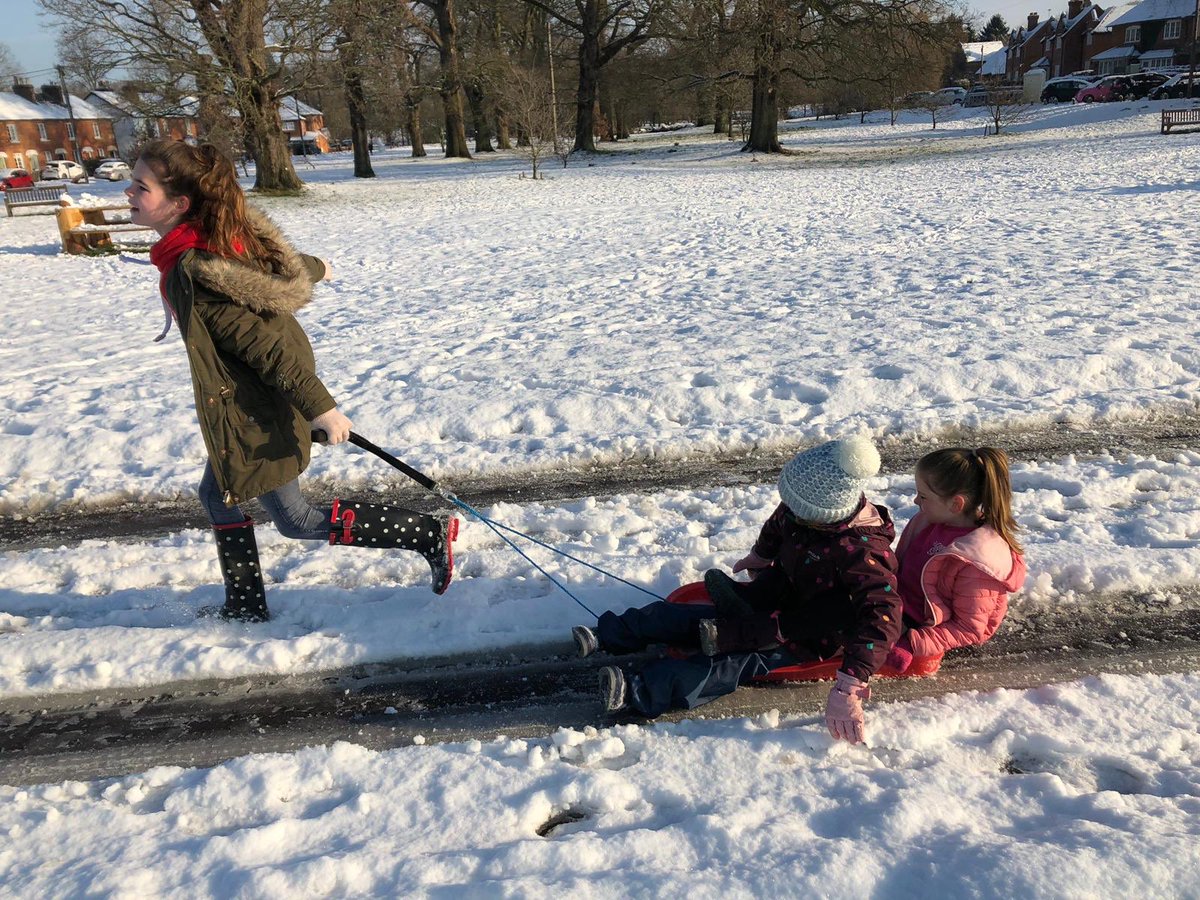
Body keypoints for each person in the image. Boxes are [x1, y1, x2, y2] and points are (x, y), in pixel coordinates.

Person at [128, 140, 457, 622]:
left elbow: (266, 349)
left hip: (262, 406)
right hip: (243, 402)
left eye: (141, 186)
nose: (128, 192)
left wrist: (319, 407)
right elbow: (270, 267)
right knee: (217, 495)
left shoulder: (198, 270)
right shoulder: (211, 242)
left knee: (295, 519)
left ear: (178, 204)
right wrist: (316, 267)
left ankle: (428, 534)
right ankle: (245, 606)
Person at [571, 435, 901, 744]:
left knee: (731, 665)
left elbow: (883, 616)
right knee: (686, 617)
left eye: (795, 508)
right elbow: (779, 523)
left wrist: (850, 687)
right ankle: (611, 633)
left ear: (824, 516)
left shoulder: (864, 554)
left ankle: (639, 690)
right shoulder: (803, 510)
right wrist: (761, 555)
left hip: (806, 632)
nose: (787, 509)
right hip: (773, 595)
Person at [883, 447, 1026, 675]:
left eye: (924, 496)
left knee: (860, 632)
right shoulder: (929, 522)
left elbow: (971, 628)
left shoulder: (977, 561)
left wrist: (913, 641)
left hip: (925, 623)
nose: (915, 499)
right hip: (900, 604)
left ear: (955, 504)